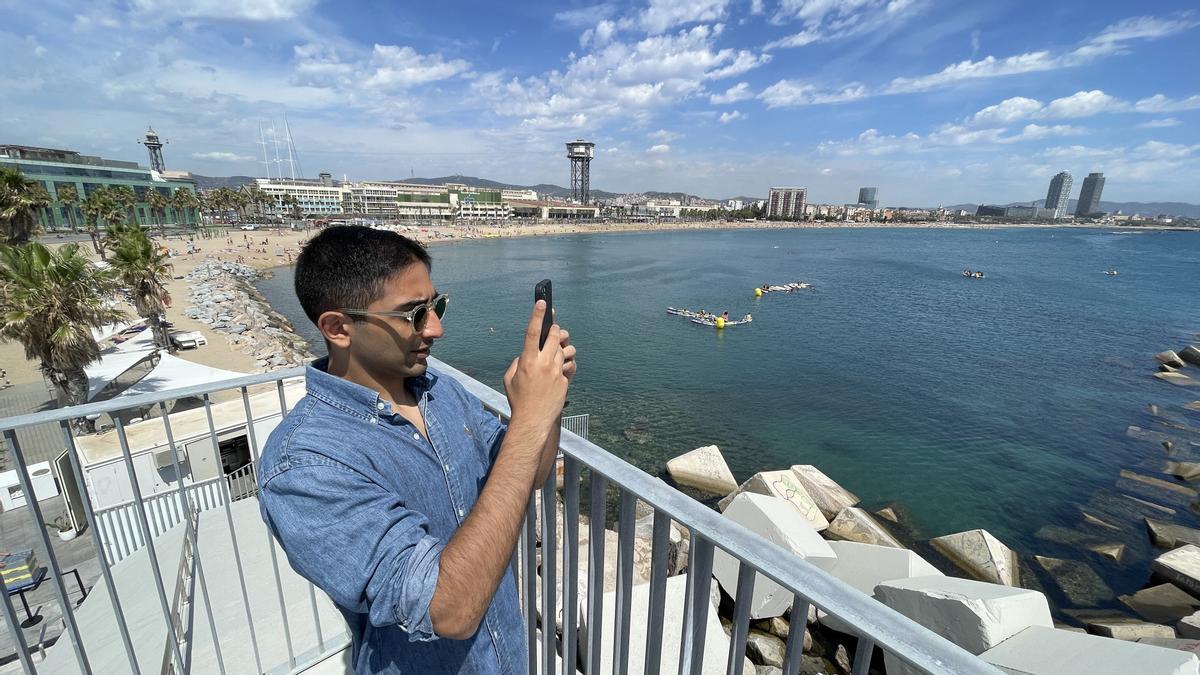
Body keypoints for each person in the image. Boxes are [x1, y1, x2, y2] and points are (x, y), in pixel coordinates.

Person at [257, 226, 575, 674]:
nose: (436, 328)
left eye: (436, 305)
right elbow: (448, 609)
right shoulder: (305, 466)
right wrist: (529, 418)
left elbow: (533, 472)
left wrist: (550, 401)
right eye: (413, 314)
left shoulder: (441, 394)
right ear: (337, 328)